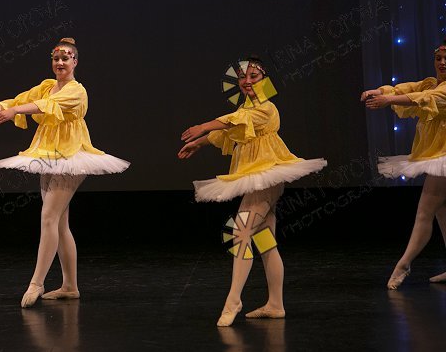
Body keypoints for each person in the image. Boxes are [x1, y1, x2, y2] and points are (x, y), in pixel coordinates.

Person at [0, 38, 129, 308]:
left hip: (70, 156)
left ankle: (37, 282)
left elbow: (44, 106)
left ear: (75, 62)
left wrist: (14, 111)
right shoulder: (47, 86)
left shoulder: (76, 91)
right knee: (59, 223)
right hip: (48, 155)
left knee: (48, 216)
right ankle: (70, 286)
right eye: (56, 58)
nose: (60, 62)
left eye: (65, 58)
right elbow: (23, 99)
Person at [178, 57, 326, 326]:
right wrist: (200, 142)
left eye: (254, 76)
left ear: (264, 79)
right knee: (265, 241)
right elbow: (233, 130)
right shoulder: (247, 106)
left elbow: (237, 121)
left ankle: (233, 299)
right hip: (257, 175)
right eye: (242, 77)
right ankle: (275, 304)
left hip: (266, 176)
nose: (247, 81)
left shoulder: (266, 107)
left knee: (240, 232)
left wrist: (204, 126)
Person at [362, 39, 446, 288]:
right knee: (441, 211)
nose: (442, 63)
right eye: (438, 59)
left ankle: (404, 263)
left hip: (444, 156)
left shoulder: (440, 90)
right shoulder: (431, 82)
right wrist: (381, 91)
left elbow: (423, 98)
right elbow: (410, 87)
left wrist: (389, 101)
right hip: (435, 153)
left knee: (425, 211)